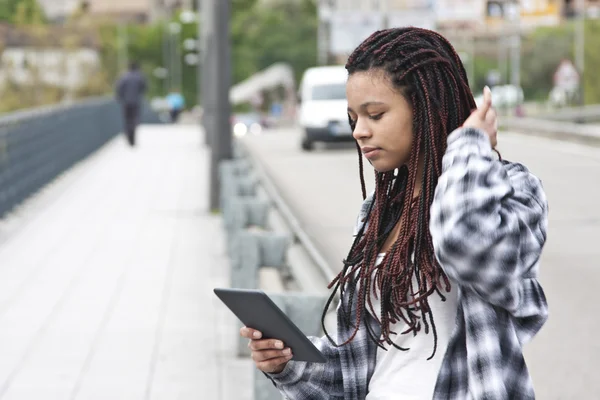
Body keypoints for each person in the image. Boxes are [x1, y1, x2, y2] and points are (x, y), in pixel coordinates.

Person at [240, 27, 549, 399]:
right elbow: (354, 367)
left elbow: (463, 242)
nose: (359, 131)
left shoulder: (509, 189)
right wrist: (288, 364)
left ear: (426, 109)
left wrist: (469, 148)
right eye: (354, 117)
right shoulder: (379, 214)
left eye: (375, 114)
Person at [115, 61, 147, 146]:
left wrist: (120, 97)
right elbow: (144, 87)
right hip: (136, 101)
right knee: (134, 119)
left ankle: (128, 133)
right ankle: (132, 135)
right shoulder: (139, 76)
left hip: (126, 102)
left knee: (127, 119)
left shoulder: (124, 77)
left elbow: (119, 88)